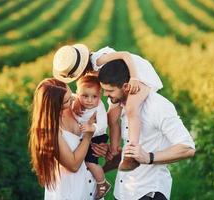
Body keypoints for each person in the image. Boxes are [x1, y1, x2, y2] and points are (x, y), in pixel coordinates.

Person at [53, 44, 163, 171]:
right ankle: (114, 154)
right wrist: (78, 99)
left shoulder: (98, 60)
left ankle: (131, 156)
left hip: (139, 74)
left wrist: (134, 78)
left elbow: (125, 55)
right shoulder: (89, 72)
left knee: (131, 108)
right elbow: (85, 89)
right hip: (117, 83)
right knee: (111, 117)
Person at [98, 59, 196, 200]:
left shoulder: (158, 106)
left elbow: (187, 148)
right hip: (123, 193)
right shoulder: (125, 107)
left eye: (110, 91)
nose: (106, 95)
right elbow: (138, 147)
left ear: (126, 86)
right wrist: (114, 157)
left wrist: (149, 157)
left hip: (148, 193)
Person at [28, 78, 101, 200]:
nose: (73, 98)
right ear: (55, 106)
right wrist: (88, 137)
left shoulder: (73, 107)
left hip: (89, 184)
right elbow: (73, 165)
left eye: (71, 93)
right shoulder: (50, 131)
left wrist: (101, 147)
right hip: (70, 192)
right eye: (67, 100)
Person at [73, 74, 111, 199]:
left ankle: (102, 183)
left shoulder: (99, 106)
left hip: (97, 136)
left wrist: (92, 128)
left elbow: (103, 124)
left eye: (94, 96)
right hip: (85, 135)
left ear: (99, 96)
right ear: (78, 94)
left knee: (90, 162)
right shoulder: (75, 101)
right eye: (85, 96)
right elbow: (70, 98)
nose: (89, 100)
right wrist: (76, 102)